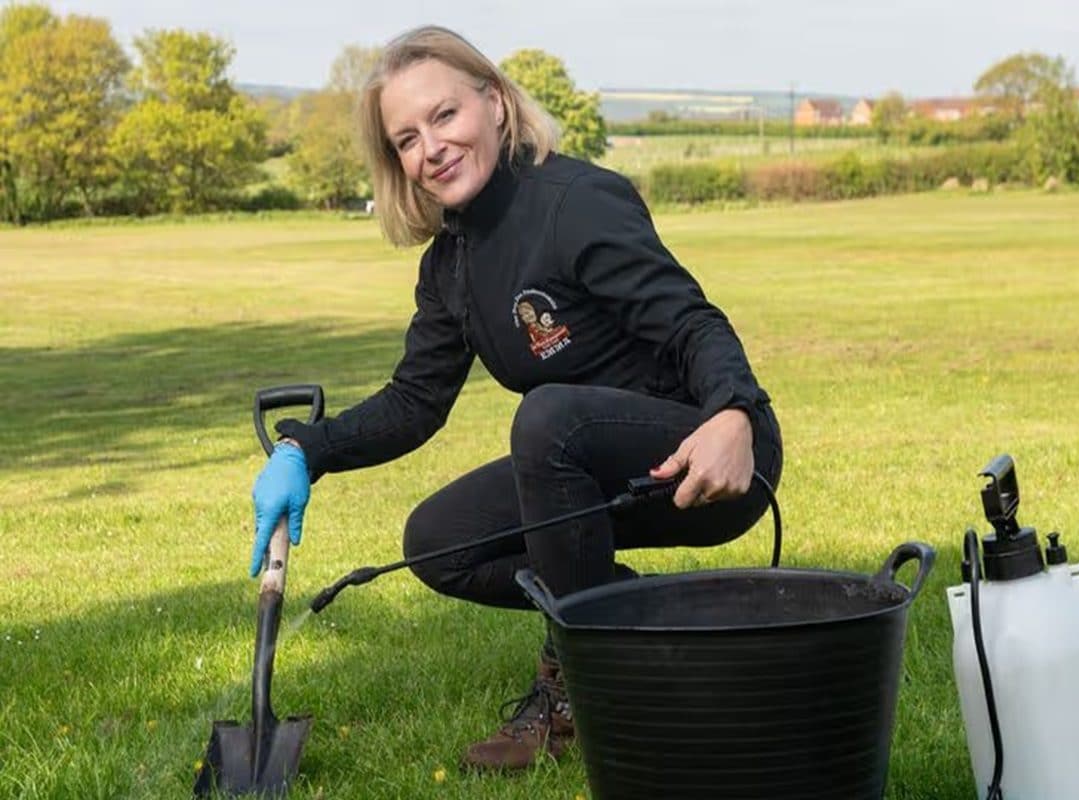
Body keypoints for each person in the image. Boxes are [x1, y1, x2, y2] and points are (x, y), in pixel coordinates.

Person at [249, 25, 784, 772]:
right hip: (591, 473)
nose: (431, 148)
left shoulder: (576, 201)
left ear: (496, 104)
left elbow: (693, 322)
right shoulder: (451, 263)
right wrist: (307, 449)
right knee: (438, 541)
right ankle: (647, 626)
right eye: (406, 139)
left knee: (547, 416)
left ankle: (580, 690)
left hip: (710, 457)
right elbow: (415, 400)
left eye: (444, 115)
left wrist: (733, 414)